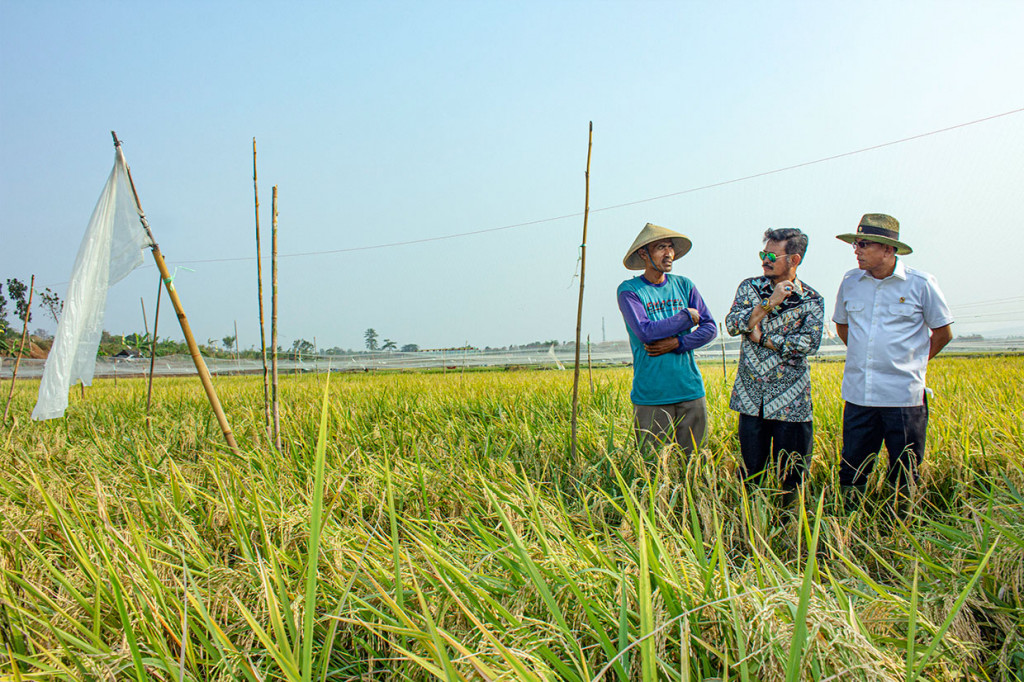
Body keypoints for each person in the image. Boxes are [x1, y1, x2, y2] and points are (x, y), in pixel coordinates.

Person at [832, 214, 953, 506]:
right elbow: (842, 325)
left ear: (888, 249)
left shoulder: (921, 284)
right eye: (855, 244)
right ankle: (850, 521)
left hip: (904, 397)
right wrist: (867, 357)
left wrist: (913, 363)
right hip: (860, 394)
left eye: (863, 244)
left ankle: (900, 525)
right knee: (853, 467)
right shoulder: (851, 282)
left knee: (905, 470)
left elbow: (943, 332)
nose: (856, 250)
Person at [725, 228, 824, 500]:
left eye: (771, 255)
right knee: (751, 474)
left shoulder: (812, 300)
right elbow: (733, 325)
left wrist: (764, 337)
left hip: (792, 403)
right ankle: (752, 528)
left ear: (794, 259)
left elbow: (808, 344)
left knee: (792, 477)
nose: (764, 260)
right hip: (751, 399)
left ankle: (790, 530)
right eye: (763, 254)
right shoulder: (749, 288)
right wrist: (769, 303)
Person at [617, 222, 717, 454]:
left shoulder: (684, 285)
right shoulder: (630, 291)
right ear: (644, 254)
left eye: (671, 247)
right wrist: (686, 317)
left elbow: (710, 327)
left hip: (690, 390)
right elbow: (645, 331)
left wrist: (679, 343)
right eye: (661, 247)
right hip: (652, 394)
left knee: (695, 465)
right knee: (651, 468)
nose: (669, 253)